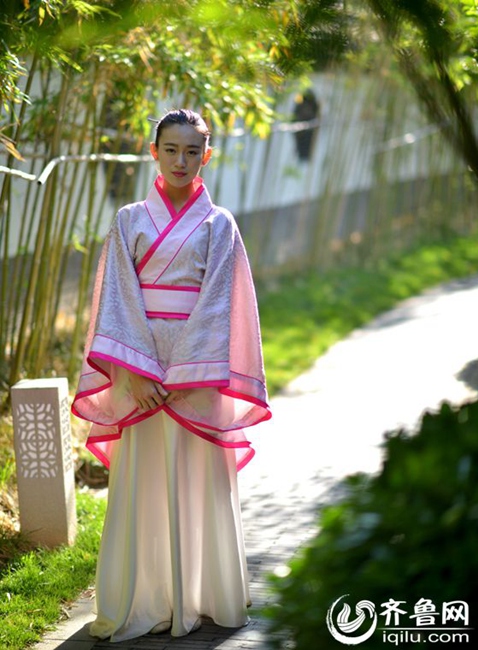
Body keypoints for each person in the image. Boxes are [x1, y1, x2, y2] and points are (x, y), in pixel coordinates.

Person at [72, 108, 271, 642]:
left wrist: (186, 370)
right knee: (144, 483)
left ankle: (201, 596)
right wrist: (131, 373)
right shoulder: (128, 220)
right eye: (171, 149)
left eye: (192, 151)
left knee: (196, 480)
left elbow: (219, 306)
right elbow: (116, 299)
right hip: (137, 372)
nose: (181, 160)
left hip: (196, 376)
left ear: (206, 157)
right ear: (153, 151)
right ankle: (146, 598)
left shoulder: (219, 224)